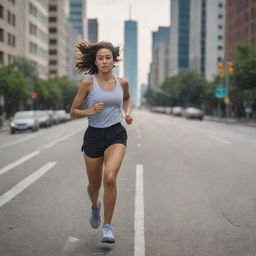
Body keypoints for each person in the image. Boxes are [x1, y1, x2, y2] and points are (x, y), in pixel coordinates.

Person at [70, 41, 133, 243]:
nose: (105, 61)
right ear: (95, 61)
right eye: (100, 58)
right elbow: (73, 111)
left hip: (116, 133)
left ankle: (107, 226)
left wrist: (128, 113)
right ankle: (95, 207)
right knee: (94, 185)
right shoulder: (88, 83)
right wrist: (90, 111)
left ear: (114, 61)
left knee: (110, 178)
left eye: (108, 57)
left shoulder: (122, 82)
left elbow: (127, 99)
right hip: (94, 135)